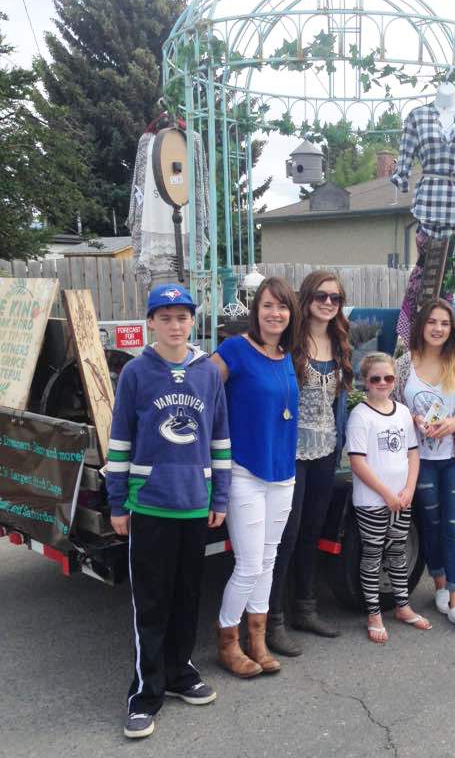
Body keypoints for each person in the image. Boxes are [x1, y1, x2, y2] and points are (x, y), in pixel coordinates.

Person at [106, 284, 231, 740]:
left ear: (192, 321)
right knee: (152, 602)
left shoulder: (207, 373)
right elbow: (119, 440)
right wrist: (117, 501)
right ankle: (144, 693)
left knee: (187, 597)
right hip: (151, 503)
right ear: (151, 323)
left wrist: (220, 497)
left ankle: (180, 673)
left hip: (195, 504)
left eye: (183, 317)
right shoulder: (137, 373)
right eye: (166, 317)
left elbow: (219, 437)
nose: (176, 325)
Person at [211, 277, 300, 677]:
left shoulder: (286, 355)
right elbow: (202, 394)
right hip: (245, 470)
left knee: (268, 559)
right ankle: (227, 643)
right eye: (267, 306)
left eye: (281, 307)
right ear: (256, 310)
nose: (274, 313)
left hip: (282, 473)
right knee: (247, 564)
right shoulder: (234, 349)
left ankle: (258, 641)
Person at [266, 270, 353, 656]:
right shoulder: (290, 340)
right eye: (321, 295)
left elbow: (339, 402)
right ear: (307, 297)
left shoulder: (339, 341)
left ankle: (306, 608)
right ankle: (272, 620)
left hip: (325, 451)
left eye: (335, 298)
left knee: (311, 531)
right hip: (291, 451)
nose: (328, 303)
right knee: (287, 535)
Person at [393, 299, 455, 635]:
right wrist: (413, 418)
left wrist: (453, 423)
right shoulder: (404, 364)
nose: (437, 328)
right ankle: (441, 587)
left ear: (452, 329)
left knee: (454, 527)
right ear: (422, 326)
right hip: (420, 460)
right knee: (430, 526)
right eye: (432, 322)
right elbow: (392, 406)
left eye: (444, 323)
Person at [346, 353, 430, 643]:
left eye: (388, 378)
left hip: (401, 498)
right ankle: (374, 612)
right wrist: (386, 495)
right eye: (376, 378)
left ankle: (402, 606)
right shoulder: (360, 415)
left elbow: (412, 454)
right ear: (365, 381)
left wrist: (408, 491)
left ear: (395, 380)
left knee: (397, 552)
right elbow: (358, 462)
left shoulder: (403, 412)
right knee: (372, 554)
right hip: (373, 501)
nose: (383, 383)